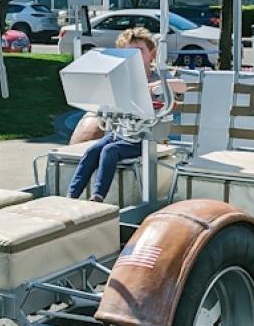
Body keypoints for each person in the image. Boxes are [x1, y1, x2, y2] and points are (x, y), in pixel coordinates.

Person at [68, 28, 187, 202]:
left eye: (140, 51)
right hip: (121, 132)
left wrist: (155, 86)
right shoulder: (121, 77)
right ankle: (72, 195)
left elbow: (181, 86)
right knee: (92, 150)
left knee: (110, 151)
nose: (135, 56)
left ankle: (98, 196)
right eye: (130, 52)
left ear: (151, 54)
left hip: (145, 137)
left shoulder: (158, 75)